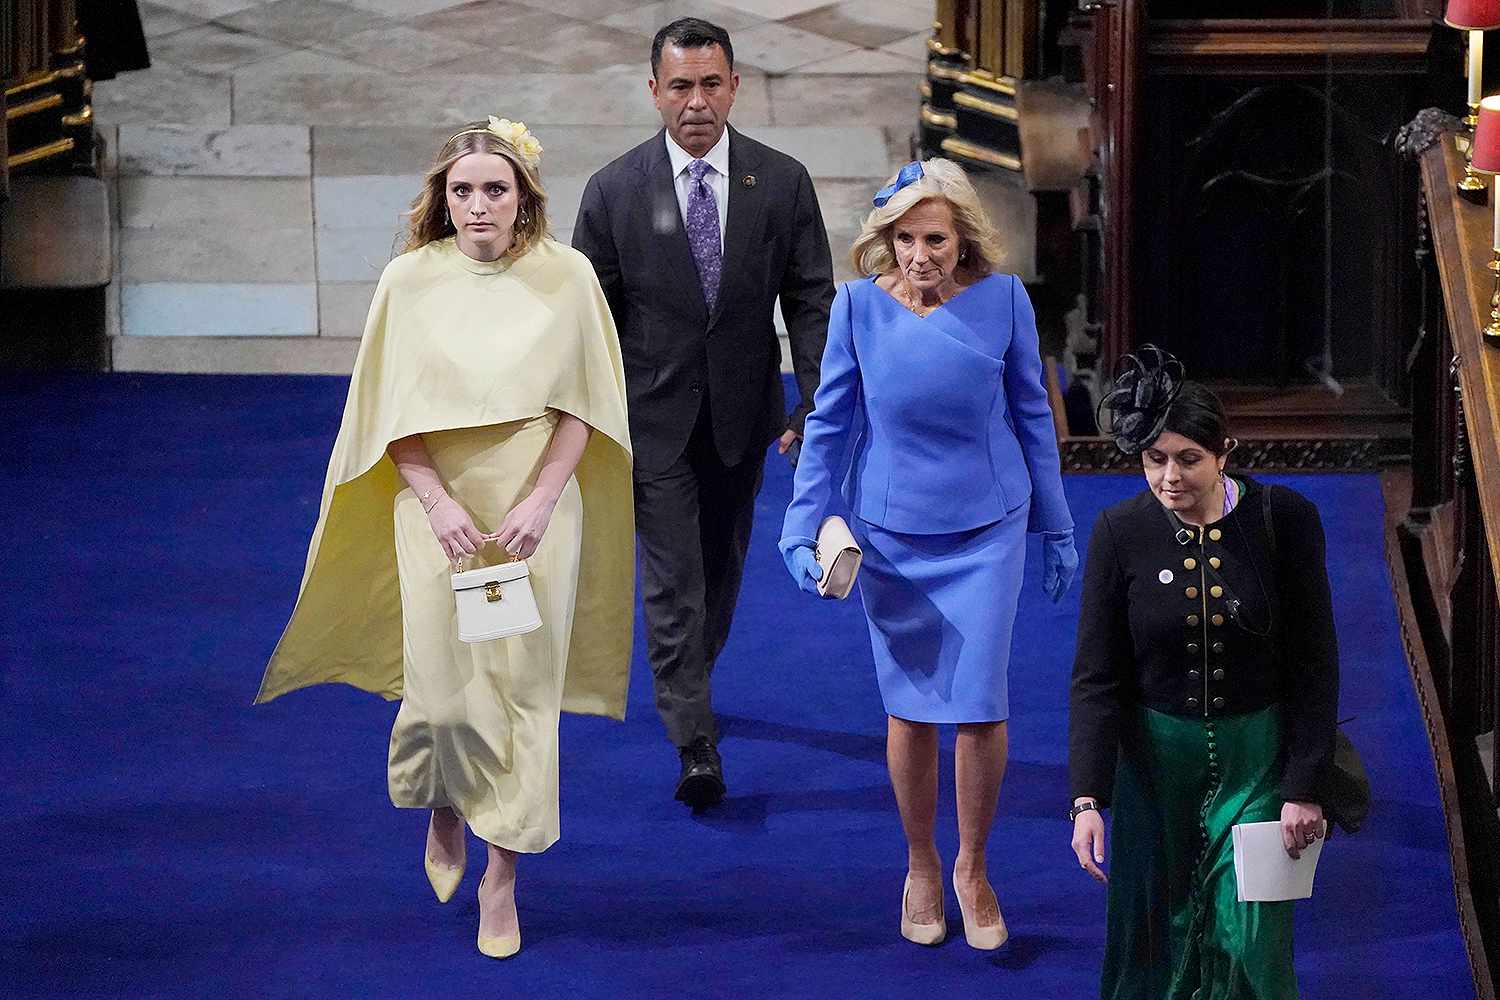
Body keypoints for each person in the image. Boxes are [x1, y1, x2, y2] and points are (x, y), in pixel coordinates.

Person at [255, 117, 634, 960]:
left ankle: (503, 876)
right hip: (437, 509)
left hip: (534, 514)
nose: (477, 205)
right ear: (442, 198)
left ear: (524, 196)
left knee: (521, 690)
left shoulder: (567, 278)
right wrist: (434, 503)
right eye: (462, 190)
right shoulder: (408, 281)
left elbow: (588, 407)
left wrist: (541, 501)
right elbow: (384, 413)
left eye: (495, 189)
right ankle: (444, 797)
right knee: (447, 689)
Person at [778, 159, 1077, 949]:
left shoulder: (1006, 302)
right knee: (910, 709)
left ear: (964, 237)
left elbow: (1034, 419)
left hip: (988, 528)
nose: (919, 255)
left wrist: (1058, 522)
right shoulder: (854, 311)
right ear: (885, 241)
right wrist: (798, 525)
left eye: (934, 238)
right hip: (892, 535)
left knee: (979, 703)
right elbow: (829, 428)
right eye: (904, 239)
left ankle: (972, 869)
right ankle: (919, 864)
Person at [572, 17, 834, 810]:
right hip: (652, 422)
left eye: (710, 84)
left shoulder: (781, 182)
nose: (696, 101)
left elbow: (812, 299)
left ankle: (689, 679)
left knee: (718, 571)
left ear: (735, 87)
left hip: (743, 418)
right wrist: (587, 418)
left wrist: (814, 403)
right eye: (680, 85)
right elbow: (588, 318)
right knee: (674, 579)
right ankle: (694, 740)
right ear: (654, 91)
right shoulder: (614, 191)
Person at [1068, 347, 1338, 998]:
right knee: (1156, 944)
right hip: (1154, 773)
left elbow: (1315, 661)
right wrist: (1087, 798)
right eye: (1154, 459)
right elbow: (1096, 676)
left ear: (1225, 451)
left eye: (1188, 458)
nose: (1168, 477)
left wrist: (1305, 783)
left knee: (1250, 945)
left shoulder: (1286, 521)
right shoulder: (1119, 531)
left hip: (1257, 767)